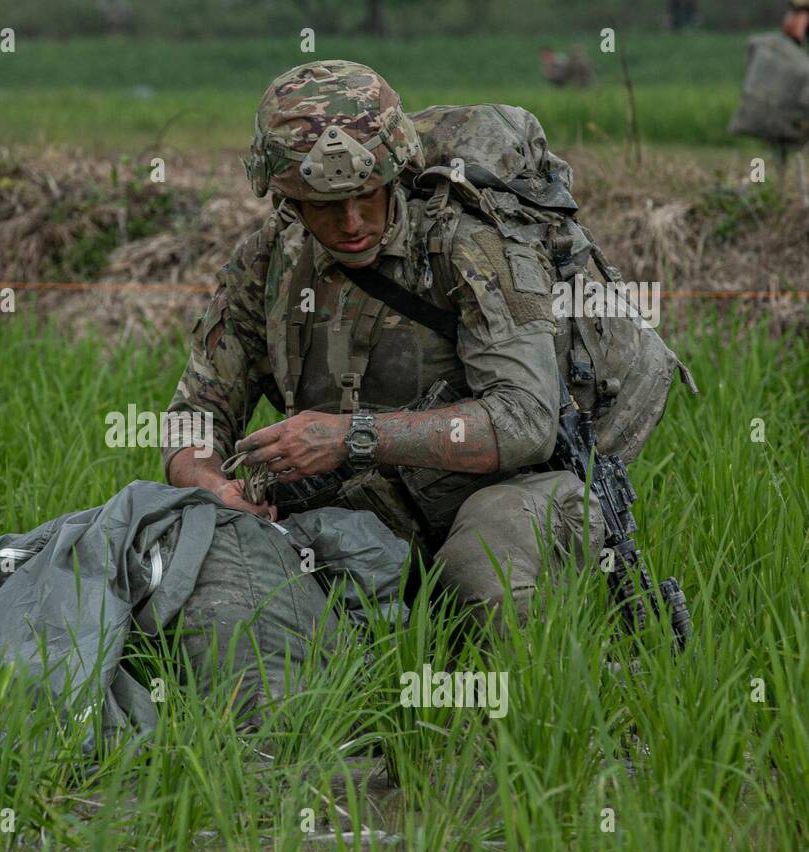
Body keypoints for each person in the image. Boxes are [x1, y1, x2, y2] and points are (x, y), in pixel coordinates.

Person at [162, 60, 608, 627]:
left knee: (480, 574)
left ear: (395, 172)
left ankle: (539, 700)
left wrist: (352, 438)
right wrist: (212, 487)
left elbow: (525, 420)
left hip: (510, 496)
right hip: (363, 519)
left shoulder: (468, 249)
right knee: (212, 588)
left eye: (368, 195)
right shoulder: (265, 264)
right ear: (287, 201)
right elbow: (194, 414)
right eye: (325, 205)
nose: (352, 222)